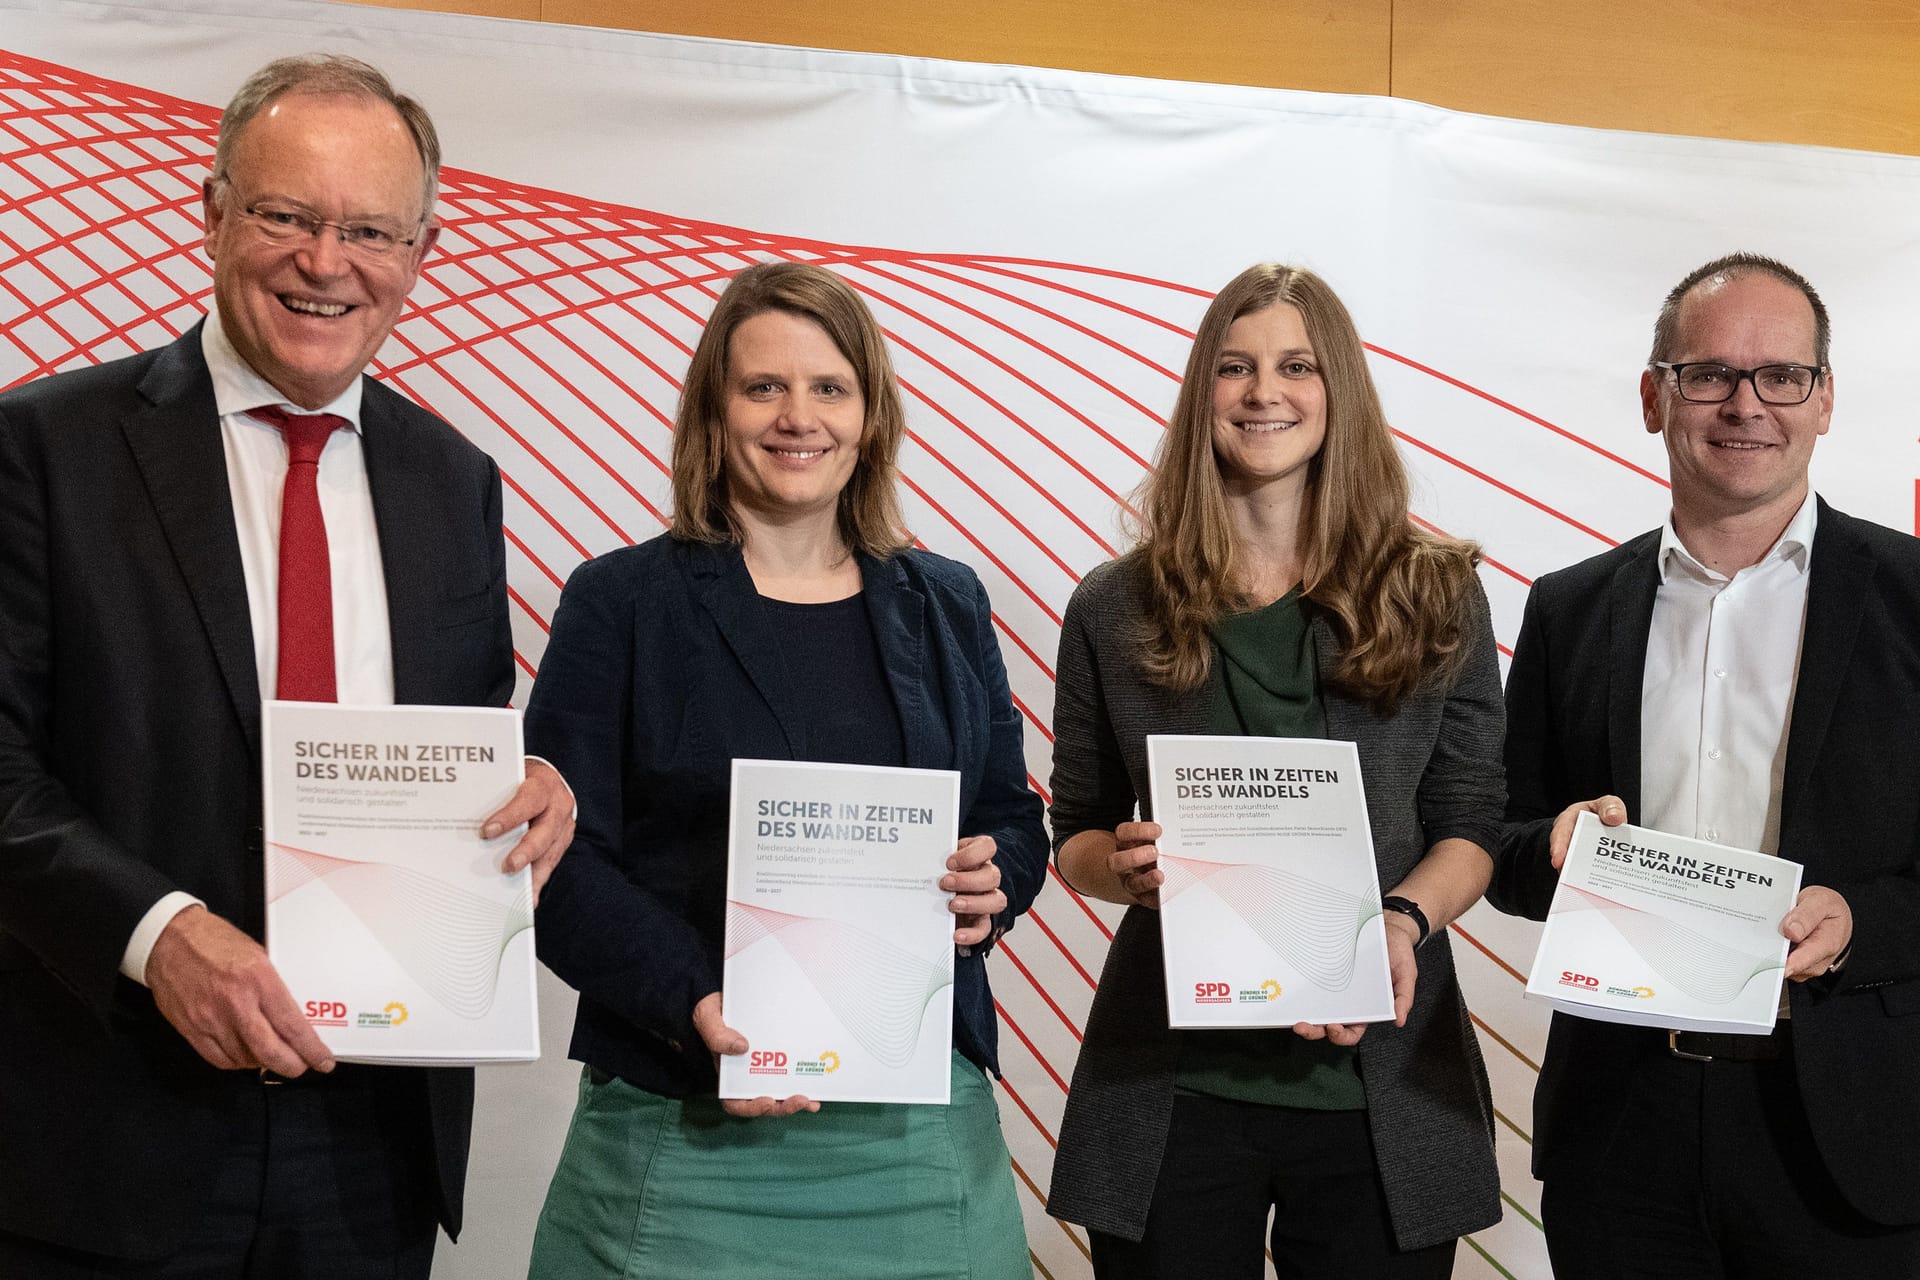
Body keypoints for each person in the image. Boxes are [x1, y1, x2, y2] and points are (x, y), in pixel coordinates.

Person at [0, 55, 574, 1278]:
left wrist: (532, 789)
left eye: (370, 228)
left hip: (372, 1144)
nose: (328, 262)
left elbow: (464, 740)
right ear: (211, 214)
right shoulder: (44, 449)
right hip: (112, 1133)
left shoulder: (454, 480)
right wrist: (157, 933)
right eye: (285, 215)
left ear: (421, 250)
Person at [521, 260, 1047, 1279]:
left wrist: (999, 876)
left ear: (870, 411)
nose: (797, 415)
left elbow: (1006, 811)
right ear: (714, 411)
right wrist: (696, 999)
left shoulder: (946, 601)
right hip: (686, 1126)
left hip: (914, 1138)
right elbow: (556, 861)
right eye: (763, 386)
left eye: (829, 387)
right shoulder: (620, 601)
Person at [1044, 262, 1505, 1277]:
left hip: (1377, 1082)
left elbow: (1471, 821)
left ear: (1338, 390)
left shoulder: (1437, 593)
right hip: (1175, 1085)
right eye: (1236, 367)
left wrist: (1401, 920)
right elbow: (1073, 826)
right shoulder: (1115, 607)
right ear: (1202, 390)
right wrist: (1117, 867)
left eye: (1297, 366)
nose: (1265, 393)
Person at [1491, 252, 1920, 1278]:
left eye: (1782, 375)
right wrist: (1547, 847)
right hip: (1622, 1126)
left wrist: (1860, 920)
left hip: (1851, 1130)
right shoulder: (1569, 606)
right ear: (1655, 396)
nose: (1746, 403)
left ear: (1824, 401)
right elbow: (1502, 843)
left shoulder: (1913, 600)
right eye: (1709, 373)